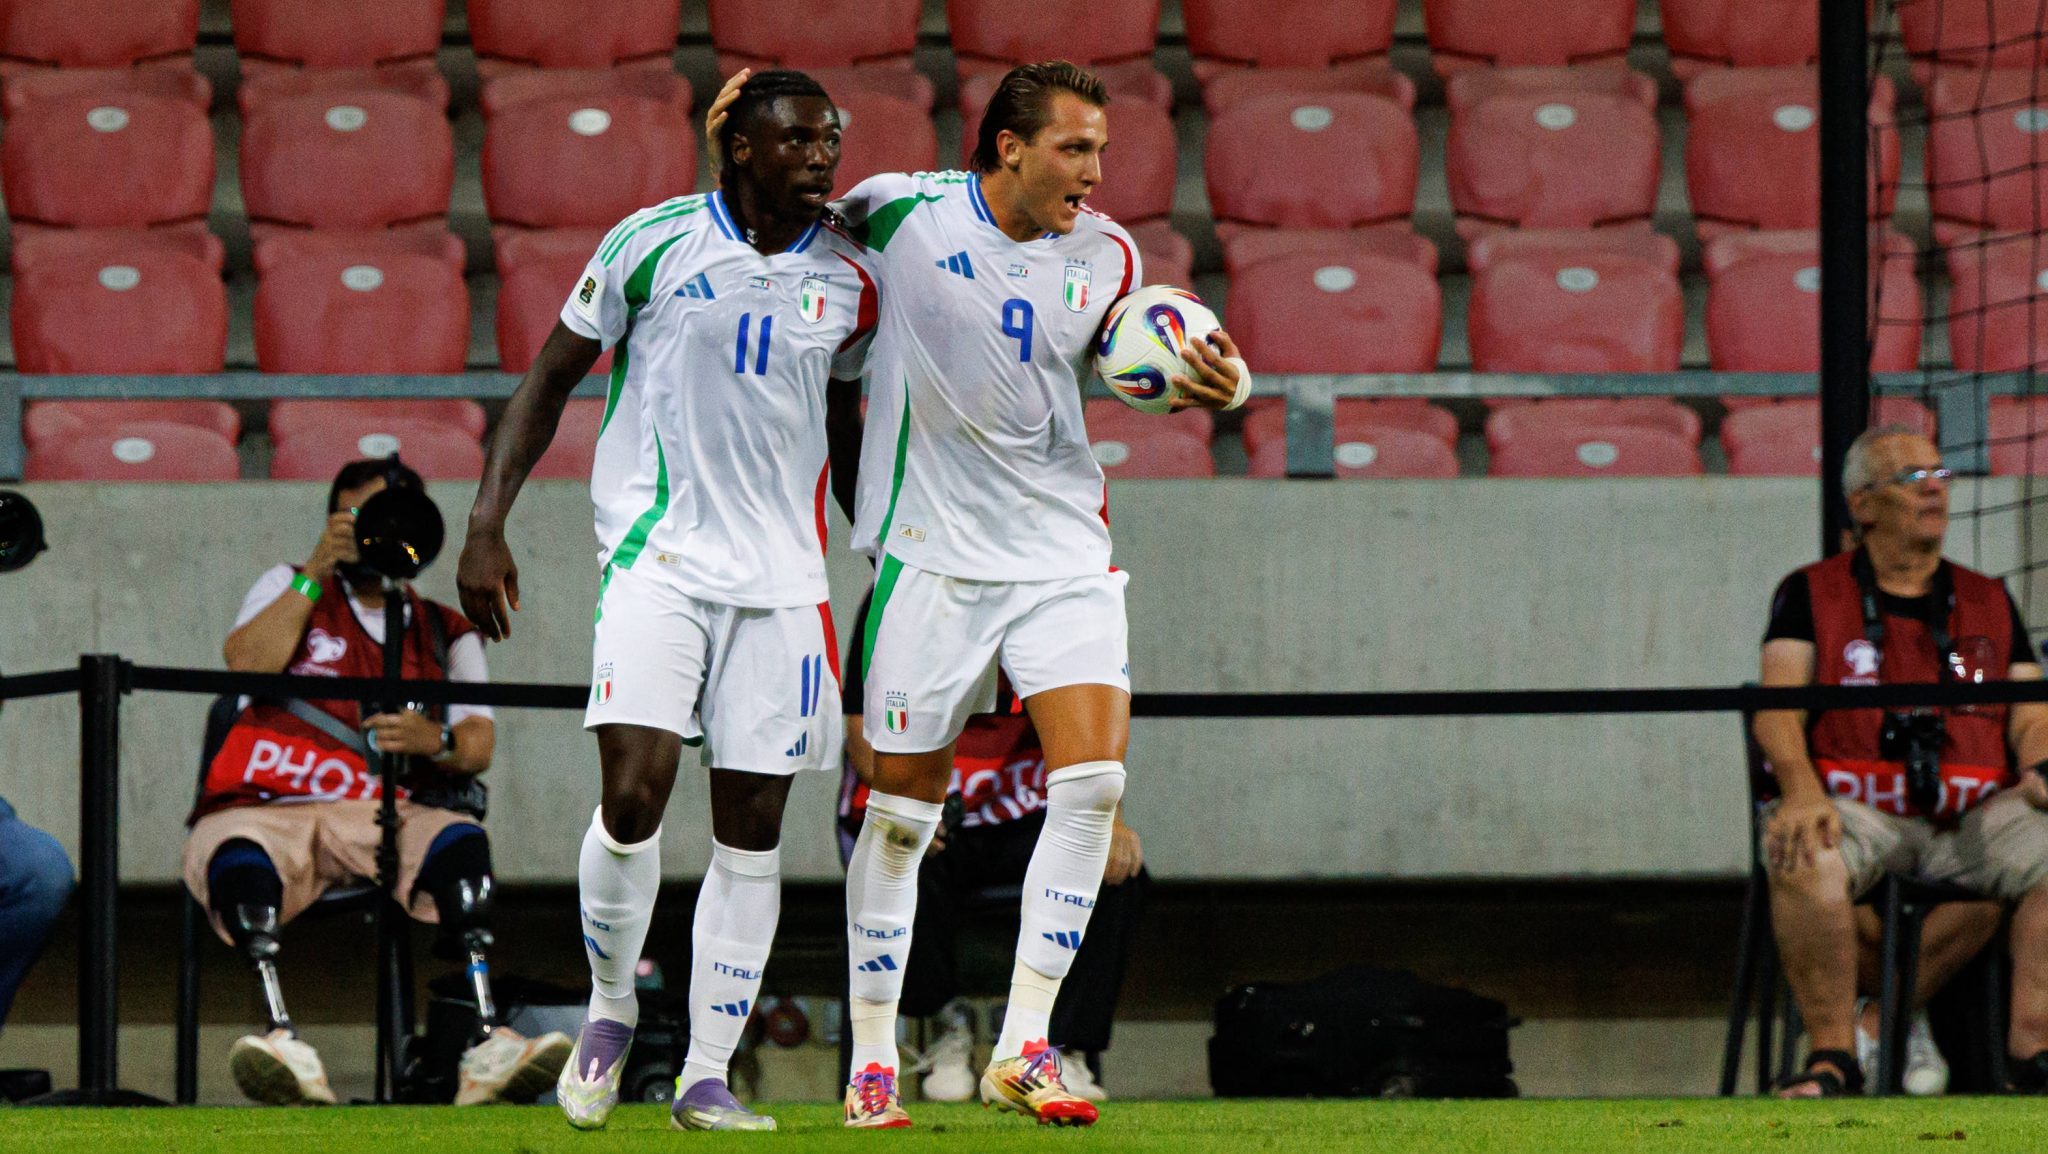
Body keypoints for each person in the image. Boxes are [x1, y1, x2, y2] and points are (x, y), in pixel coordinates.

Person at [705, 59, 1246, 1128]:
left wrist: (1218, 378)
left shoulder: (1110, 254)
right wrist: (724, 151)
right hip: (931, 558)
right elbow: (768, 224)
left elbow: (1147, 348)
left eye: (1100, 150)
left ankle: (1025, 1045)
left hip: (1060, 552)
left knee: (1090, 783)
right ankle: (871, 1059)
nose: (1095, 172)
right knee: (901, 815)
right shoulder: (898, 211)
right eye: (1074, 148)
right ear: (1009, 146)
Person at [457, 70, 876, 1133]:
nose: (821, 156)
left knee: (752, 831)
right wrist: (486, 521)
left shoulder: (852, 276)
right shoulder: (651, 242)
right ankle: (609, 1008)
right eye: (797, 139)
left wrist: (889, 541)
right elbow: (549, 378)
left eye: (829, 139)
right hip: (659, 560)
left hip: (785, 586)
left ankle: (706, 1073)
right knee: (634, 796)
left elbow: (847, 423)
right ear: (740, 147)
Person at [187, 459, 568, 1106]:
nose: (377, 530)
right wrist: (315, 570)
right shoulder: (289, 584)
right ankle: (281, 1037)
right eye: (361, 516)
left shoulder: (444, 629)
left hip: (381, 813)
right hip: (264, 804)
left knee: (460, 843)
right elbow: (246, 664)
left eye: (393, 516)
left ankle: (487, 1040)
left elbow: (478, 745)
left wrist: (435, 741)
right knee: (238, 857)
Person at [1757, 426, 2048, 1097]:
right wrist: (1799, 791)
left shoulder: (1986, 599)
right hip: (1858, 810)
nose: (1935, 491)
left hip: (1970, 814)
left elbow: (2030, 714)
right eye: (1913, 479)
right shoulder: (1809, 593)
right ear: (1862, 504)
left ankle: (2033, 1052)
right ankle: (1834, 1055)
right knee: (1803, 849)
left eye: (1940, 476)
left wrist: (2040, 766)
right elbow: (1776, 708)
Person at [838, 590, 1148, 1103]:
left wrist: (1109, 820)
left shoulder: (1058, 588)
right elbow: (860, 730)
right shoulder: (903, 590)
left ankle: (1058, 1047)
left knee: (1114, 869)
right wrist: (906, 806)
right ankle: (945, 1026)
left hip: (1026, 810)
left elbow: (1094, 728)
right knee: (903, 854)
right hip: (939, 806)